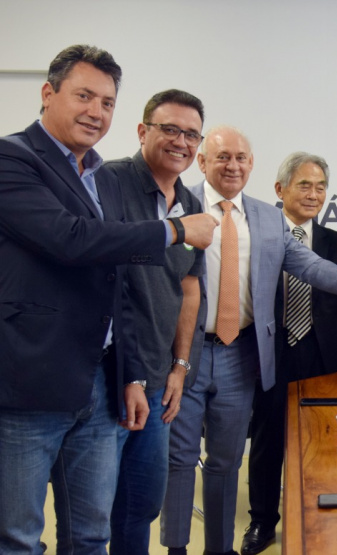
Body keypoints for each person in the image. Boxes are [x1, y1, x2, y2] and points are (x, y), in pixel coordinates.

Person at [0, 45, 216, 555]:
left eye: (107, 102)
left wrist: (136, 372)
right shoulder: (13, 159)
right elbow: (70, 240)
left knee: (93, 533)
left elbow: (120, 286)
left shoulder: (91, 173)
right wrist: (176, 230)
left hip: (102, 379)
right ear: (48, 94)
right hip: (31, 381)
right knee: (18, 537)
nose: (96, 111)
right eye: (83, 96)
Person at [160, 127, 337, 555]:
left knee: (225, 461)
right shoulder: (177, 207)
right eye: (222, 157)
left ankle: (219, 549)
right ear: (202, 162)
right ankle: (177, 548)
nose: (233, 165)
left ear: (251, 165)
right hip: (186, 354)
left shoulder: (265, 218)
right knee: (181, 460)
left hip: (241, 355)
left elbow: (316, 269)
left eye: (241, 158)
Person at [242, 152, 337, 555]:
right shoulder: (257, 236)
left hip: (326, 356)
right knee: (268, 441)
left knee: (328, 443)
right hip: (273, 351)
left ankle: (322, 516)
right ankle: (263, 522)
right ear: (279, 189)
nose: (314, 194)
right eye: (304, 185)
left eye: (320, 187)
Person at [105, 89, 207, 555]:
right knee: (92, 511)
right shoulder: (109, 183)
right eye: (170, 129)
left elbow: (189, 289)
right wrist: (132, 372)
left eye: (191, 134)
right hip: (109, 375)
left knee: (142, 504)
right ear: (143, 130)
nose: (181, 141)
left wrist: (180, 367)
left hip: (159, 381)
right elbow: (108, 280)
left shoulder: (189, 202)